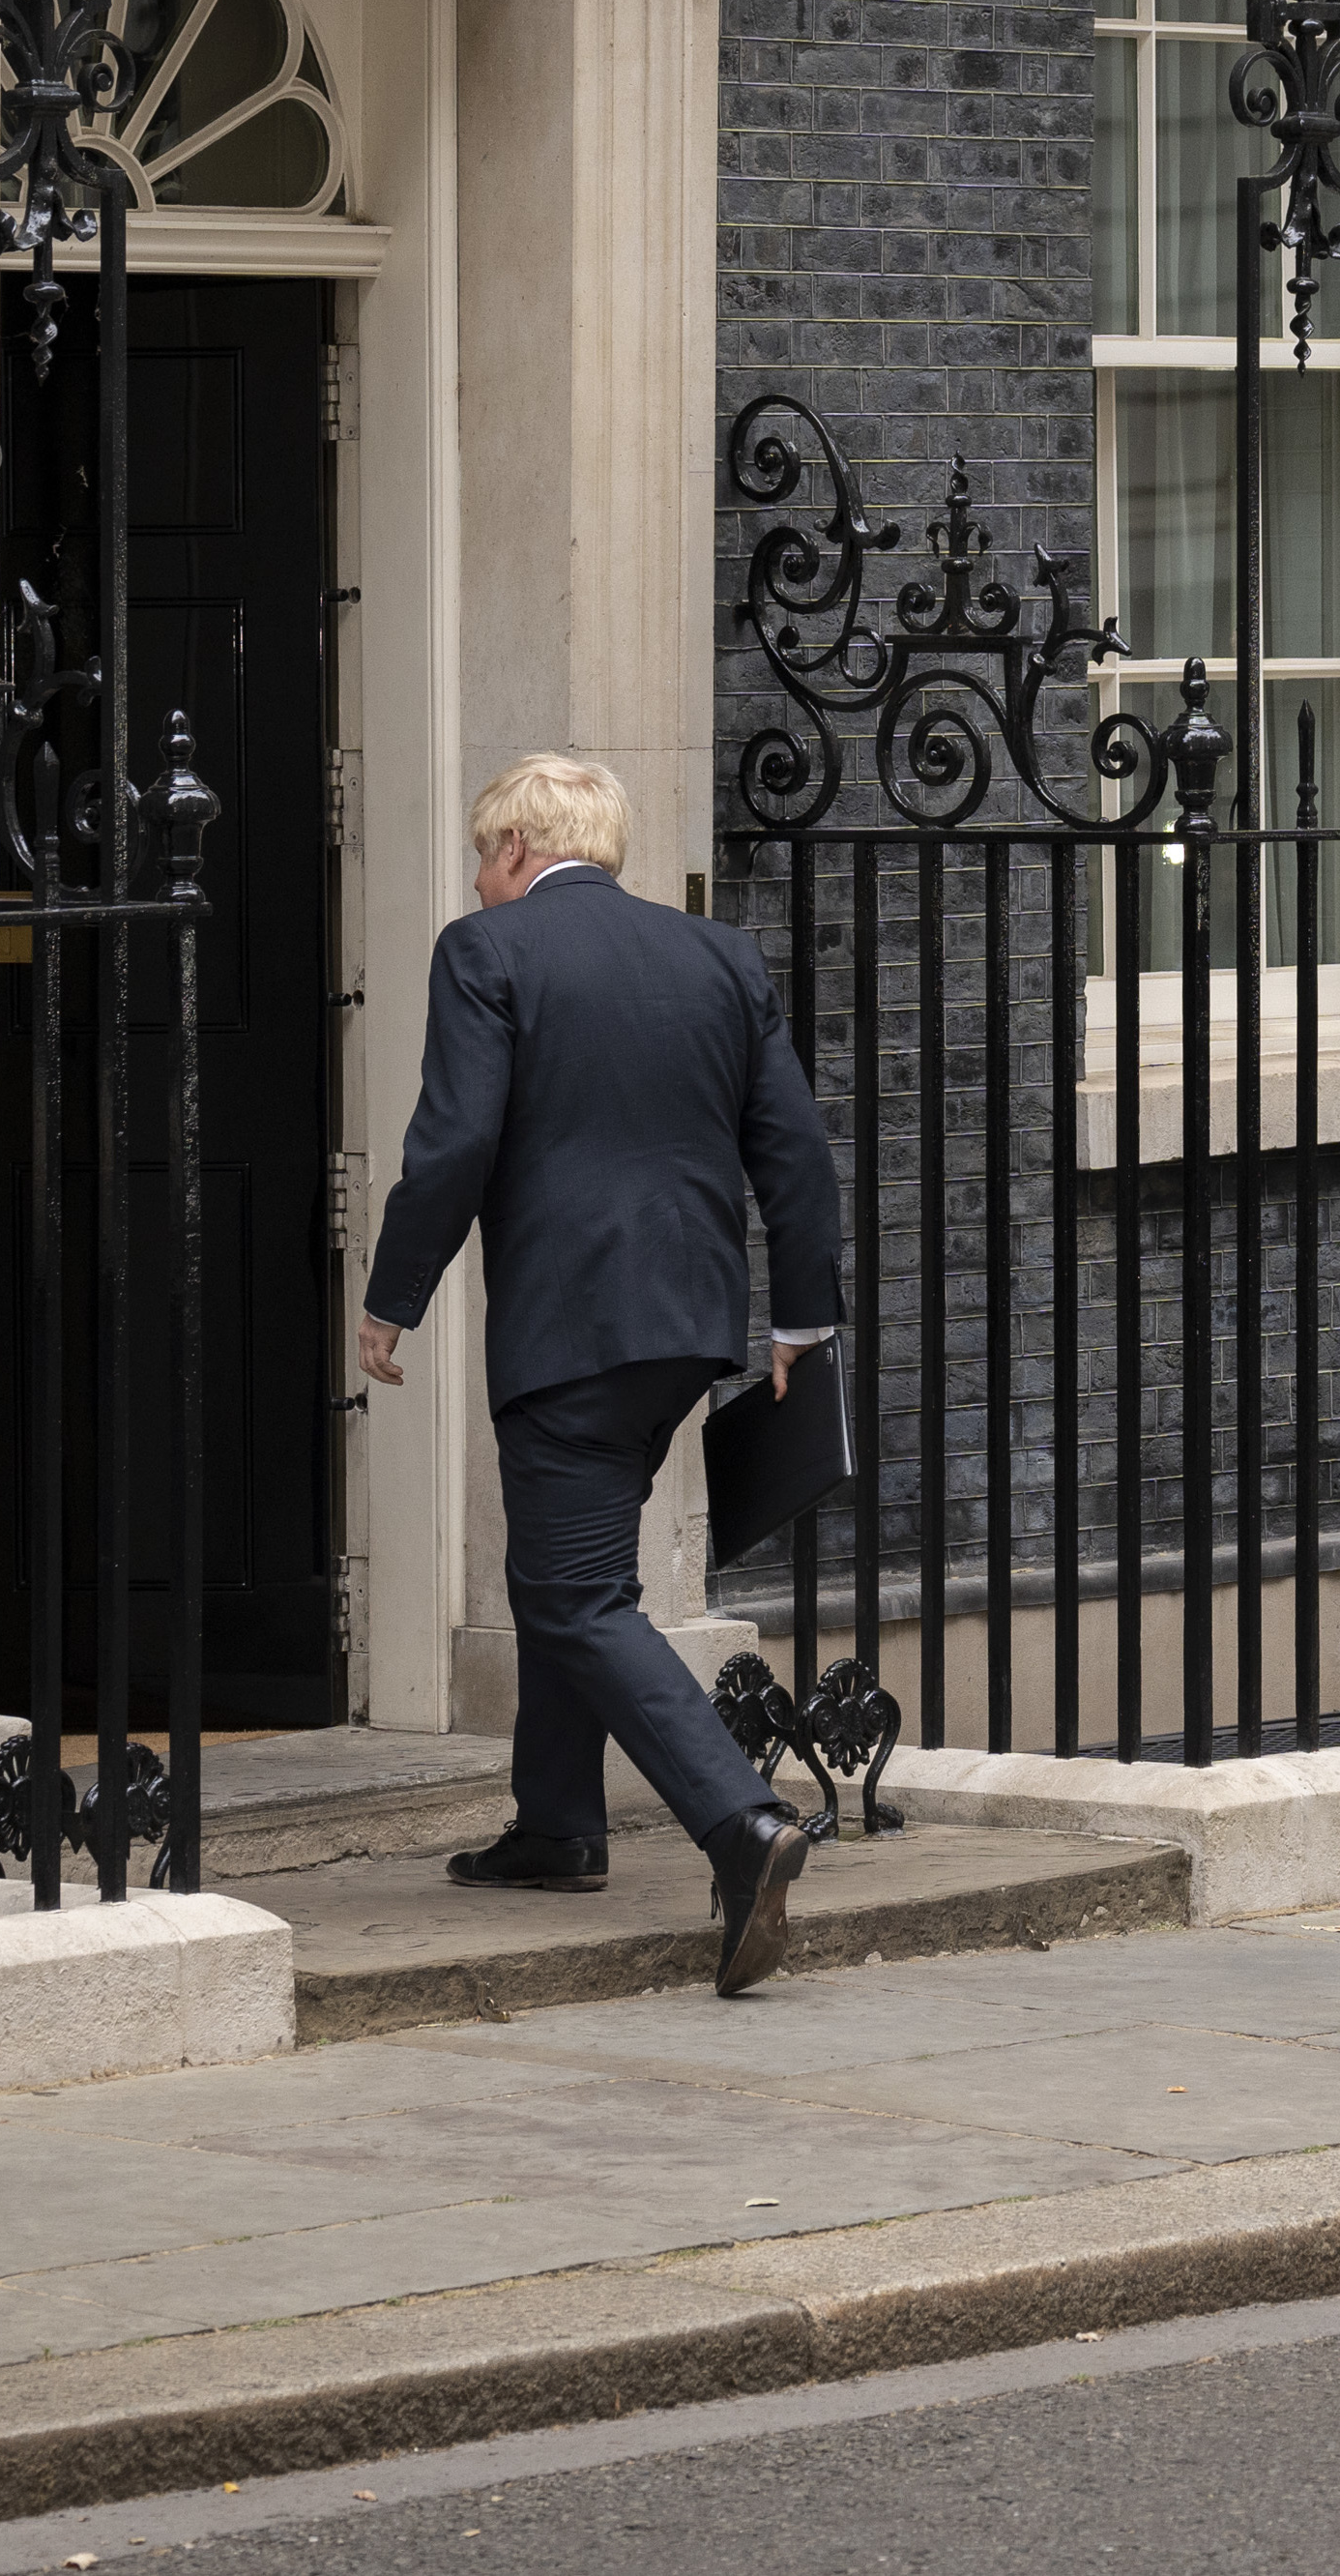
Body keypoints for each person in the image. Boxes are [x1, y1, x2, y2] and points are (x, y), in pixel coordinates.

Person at [355, 754, 842, 1997]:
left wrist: (391, 1296)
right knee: (567, 1568)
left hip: (572, 1324)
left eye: (482, 854)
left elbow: (454, 1140)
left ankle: (741, 1821)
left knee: (574, 1594)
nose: (477, 878)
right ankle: (557, 1826)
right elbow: (793, 1150)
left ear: (517, 847)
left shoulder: (489, 949)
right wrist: (801, 1319)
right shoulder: (717, 955)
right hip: (690, 1322)